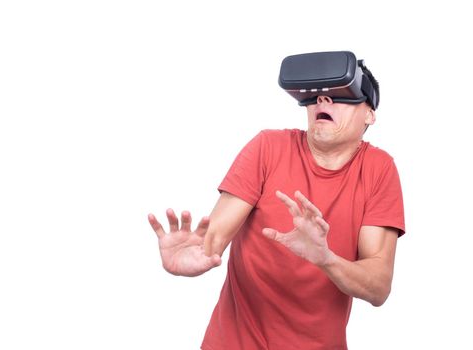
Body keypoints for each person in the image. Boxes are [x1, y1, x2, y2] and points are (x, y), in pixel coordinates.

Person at [148, 53, 405, 350]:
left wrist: (326, 259)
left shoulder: (378, 170)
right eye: (317, 95)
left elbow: (378, 286)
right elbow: (213, 239)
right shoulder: (268, 148)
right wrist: (195, 253)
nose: (323, 100)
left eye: (340, 94)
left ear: (369, 114)